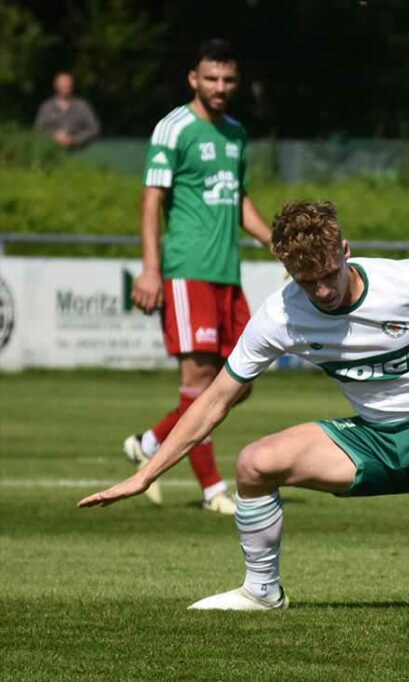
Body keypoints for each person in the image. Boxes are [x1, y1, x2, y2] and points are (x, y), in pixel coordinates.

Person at [79, 200, 409, 615]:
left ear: (346, 250)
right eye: (308, 282)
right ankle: (262, 592)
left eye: (329, 273)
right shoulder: (282, 313)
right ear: (286, 270)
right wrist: (146, 474)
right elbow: (215, 398)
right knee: (254, 463)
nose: (322, 291)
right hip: (373, 440)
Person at [122, 39, 273, 515]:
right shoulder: (174, 128)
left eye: (228, 79)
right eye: (211, 78)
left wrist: (276, 242)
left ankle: (150, 442)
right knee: (202, 381)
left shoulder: (236, 133)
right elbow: (151, 200)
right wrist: (151, 269)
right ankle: (212, 489)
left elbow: (238, 199)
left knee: (241, 380)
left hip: (227, 273)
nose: (220, 87)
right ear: (194, 79)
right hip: (187, 271)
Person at [33, 71, 101, 148]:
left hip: (79, 151)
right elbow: (38, 130)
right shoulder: (46, 107)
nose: (65, 88)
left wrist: (74, 139)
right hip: (51, 149)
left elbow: (94, 129)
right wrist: (53, 136)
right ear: (56, 86)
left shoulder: (82, 106)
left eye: (68, 85)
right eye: (62, 85)